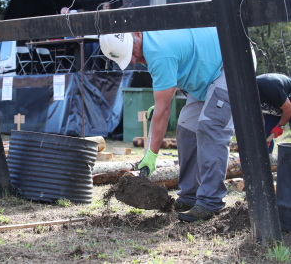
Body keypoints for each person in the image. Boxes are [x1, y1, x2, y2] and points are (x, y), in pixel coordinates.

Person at [100, 28, 231, 222]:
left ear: (137, 34)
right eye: (129, 58)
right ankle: (190, 196)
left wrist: (150, 156)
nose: (134, 60)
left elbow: (163, 113)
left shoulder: (158, 53)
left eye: (132, 52)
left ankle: (210, 202)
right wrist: (162, 105)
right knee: (186, 130)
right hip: (205, 79)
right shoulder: (154, 43)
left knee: (209, 127)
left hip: (228, 65)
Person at [256, 73, 291, 153]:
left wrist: (280, 126)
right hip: (273, 107)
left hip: (287, 104)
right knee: (266, 134)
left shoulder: (271, 88)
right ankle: (267, 161)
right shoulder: (247, 95)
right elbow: (259, 117)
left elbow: (288, 109)